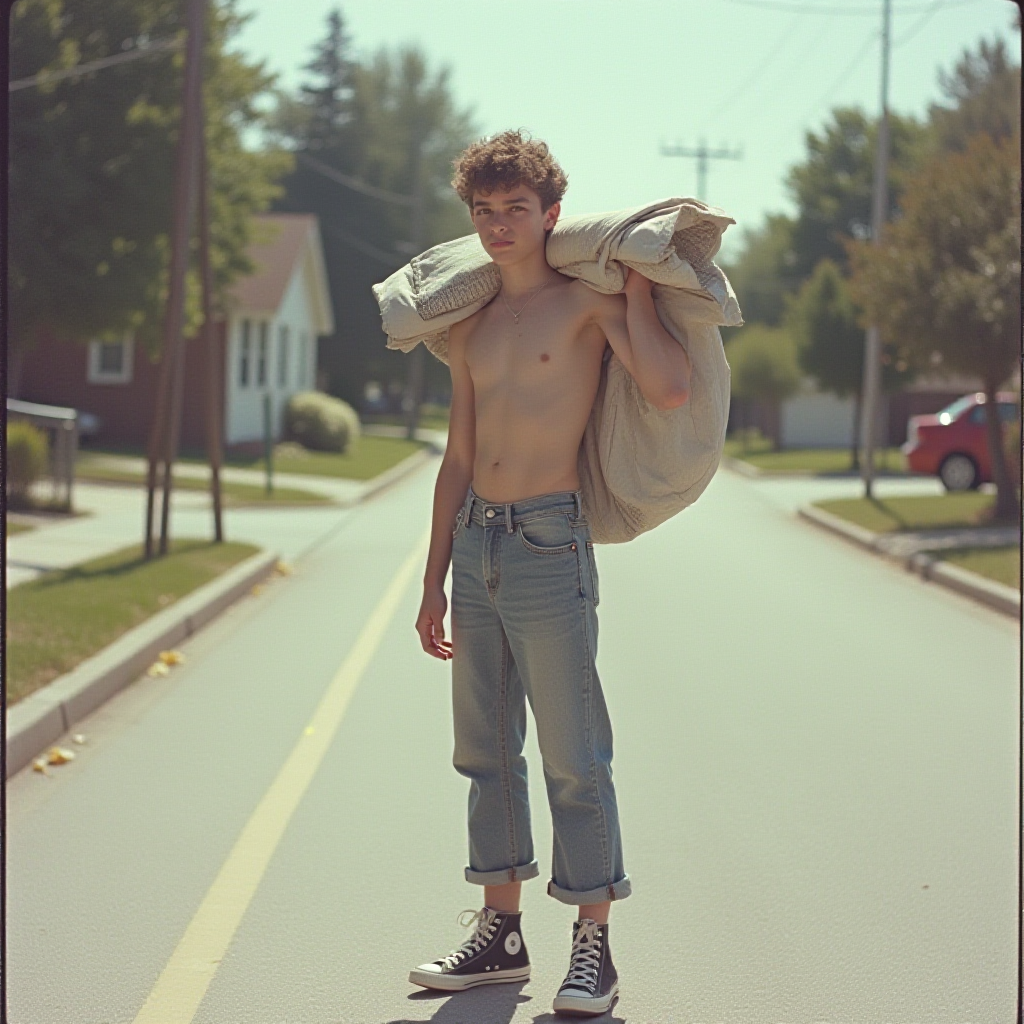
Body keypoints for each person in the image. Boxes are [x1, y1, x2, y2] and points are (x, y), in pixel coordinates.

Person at [409, 129, 692, 1017]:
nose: (498, 227)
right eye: (484, 213)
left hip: (546, 541)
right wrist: (429, 581)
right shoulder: (472, 323)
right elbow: (457, 458)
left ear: (550, 217)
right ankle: (501, 933)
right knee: (486, 754)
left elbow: (672, 387)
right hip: (475, 545)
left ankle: (593, 948)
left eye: (515, 211)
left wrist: (637, 293)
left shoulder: (584, 306)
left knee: (574, 756)